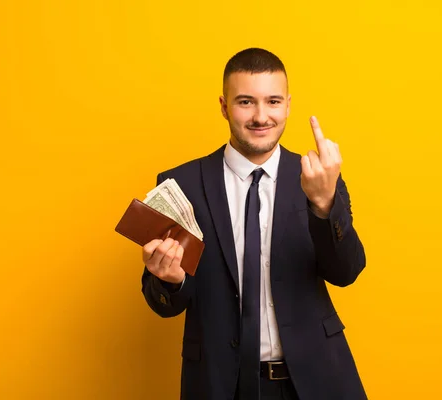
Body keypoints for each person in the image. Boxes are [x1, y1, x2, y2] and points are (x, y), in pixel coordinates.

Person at [140, 48, 368, 400]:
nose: (261, 116)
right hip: (220, 385)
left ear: (288, 105)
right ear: (224, 106)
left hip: (315, 381)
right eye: (246, 102)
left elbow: (347, 272)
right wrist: (170, 281)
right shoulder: (180, 184)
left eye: (273, 101)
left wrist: (324, 205)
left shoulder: (318, 177)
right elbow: (163, 304)